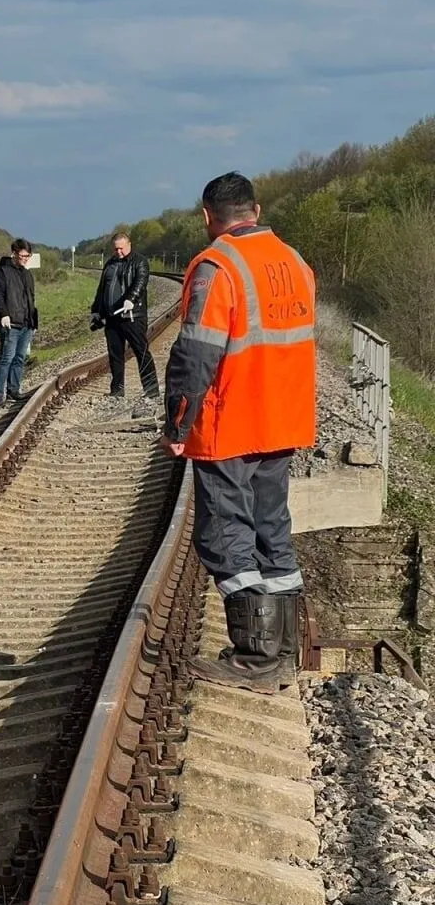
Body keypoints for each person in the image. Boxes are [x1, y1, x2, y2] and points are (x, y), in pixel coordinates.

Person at [159, 172, 317, 693]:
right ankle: (286, 650)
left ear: (208, 216)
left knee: (225, 535)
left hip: (233, 423)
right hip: (283, 420)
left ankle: (256, 656)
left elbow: (195, 353)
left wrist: (178, 422)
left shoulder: (217, 267)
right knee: (272, 528)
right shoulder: (295, 262)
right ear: (256, 208)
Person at [91, 233, 160, 414]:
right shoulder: (110, 264)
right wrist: (96, 310)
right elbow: (102, 289)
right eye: (116, 248)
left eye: (122, 248)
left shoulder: (140, 262)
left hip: (132, 316)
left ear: (129, 245)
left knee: (141, 351)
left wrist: (131, 298)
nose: (119, 252)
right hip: (112, 317)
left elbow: (140, 282)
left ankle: (151, 390)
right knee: (115, 354)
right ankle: (117, 389)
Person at [0, 239, 38, 405]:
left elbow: (30, 299)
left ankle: (14, 389)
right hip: (10, 324)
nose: (25, 258)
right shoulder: (3, 273)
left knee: (19, 358)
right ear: (14, 253)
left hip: (26, 324)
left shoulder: (27, 274)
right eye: (22, 255)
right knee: (6, 358)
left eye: (27, 256)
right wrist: (3, 314)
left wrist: (34, 323)